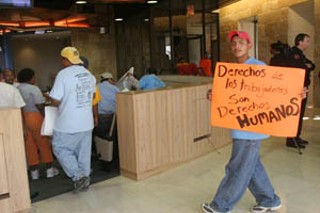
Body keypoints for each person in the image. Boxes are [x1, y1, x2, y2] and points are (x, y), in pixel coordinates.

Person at [202, 31, 282, 213]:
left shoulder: (258, 66)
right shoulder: (230, 70)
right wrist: (214, 96)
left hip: (252, 128)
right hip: (238, 126)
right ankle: (269, 199)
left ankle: (220, 206)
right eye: (234, 43)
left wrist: (296, 93)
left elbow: (276, 92)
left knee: (238, 167)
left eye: (241, 43)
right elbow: (230, 97)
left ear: (249, 45)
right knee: (251, 166)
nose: (236, 46)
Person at [49, 47, 96, 193]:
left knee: (60, 147)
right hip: (86, 122)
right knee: (83, 152)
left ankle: (78, 177)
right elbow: (92, 96)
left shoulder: (63, 74)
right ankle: (84, 178)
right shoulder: (89, 74)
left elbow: (56, 101)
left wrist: (50, 99)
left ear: (65, 60)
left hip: (68, 122)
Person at [17, 68, 59, 180]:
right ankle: (49, 170)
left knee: (29, 145)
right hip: (35, 117)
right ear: (30, 78)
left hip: (23, 118)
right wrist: (45, 116)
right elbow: (40, 105)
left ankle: (34, 173)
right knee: (43, 143)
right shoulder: (34, 89)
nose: (35, 79)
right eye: (34, 77)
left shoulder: (17, 88)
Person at [285, 33, 315, 148]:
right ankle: (291, 139)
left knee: (300, 113)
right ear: (300, 42)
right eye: (307, 41)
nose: (308, 43)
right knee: (296, 113)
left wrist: (308, 66)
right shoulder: (294, 54)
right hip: (296, 88)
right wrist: (306, 66)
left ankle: (296, 136)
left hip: (302, 87)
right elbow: (301, 68)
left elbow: (312, 65)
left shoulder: (300, 54)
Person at [96, 72, 120, 139]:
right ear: (109, 79)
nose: (113, 82)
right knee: (112, 134)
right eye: (112, 80)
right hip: (111, 117)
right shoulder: (115, 88)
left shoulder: (96, 87)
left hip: (99, 116)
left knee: (99, 136)